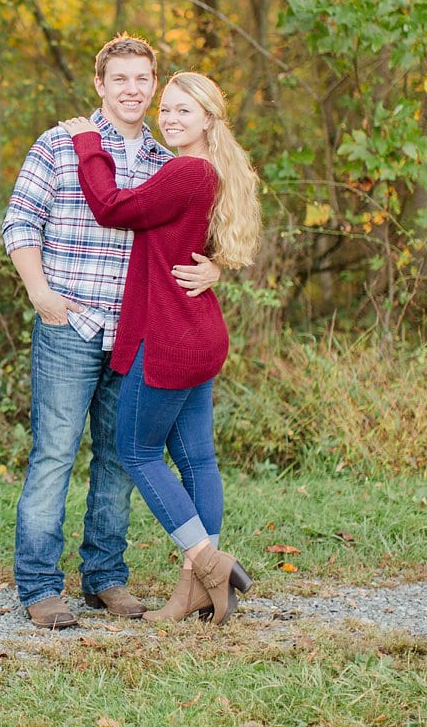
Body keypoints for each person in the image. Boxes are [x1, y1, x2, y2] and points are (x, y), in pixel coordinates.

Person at [2, 36, 220, 629]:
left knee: (120, 459)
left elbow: (205, 228)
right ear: (100, 84)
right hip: (70, 323)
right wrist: (42, 296)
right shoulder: (60, 143)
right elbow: (19, 222)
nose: (132, 89)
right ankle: (42, 586)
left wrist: (217, 266)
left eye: (143, 79)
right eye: (119, 78)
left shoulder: (164, 156)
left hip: (137, 331)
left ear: (154, 86)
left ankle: (105, 578)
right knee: (54, 454)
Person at [58, 70, 261, 625]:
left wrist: (88, 144)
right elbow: (206, 244)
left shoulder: (187, 171)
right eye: (165, 109)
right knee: (197, 457)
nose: (169, 119)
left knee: (136, 451)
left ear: (208, 120)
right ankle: (196, 590)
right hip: (199, 330)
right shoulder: (211, 171)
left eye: (183, 112)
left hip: (171, 336)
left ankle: (209, 565)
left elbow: (114, 208)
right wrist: (217, 266)